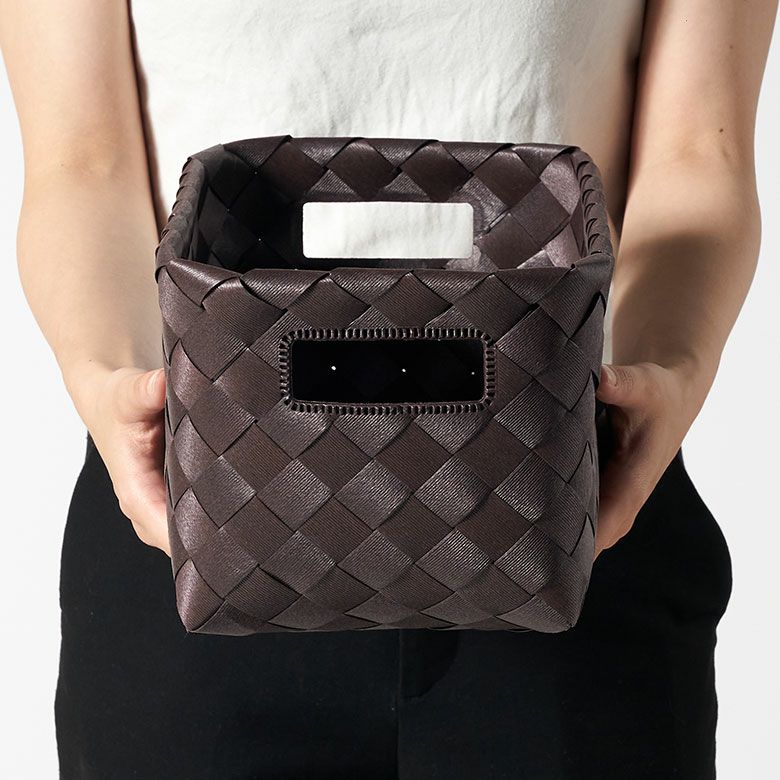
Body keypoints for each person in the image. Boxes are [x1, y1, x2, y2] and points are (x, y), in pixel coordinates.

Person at [1, 1, 775, 777]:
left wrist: (670, 366)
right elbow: (81, 164)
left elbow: (698, 151)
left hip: (571, 507)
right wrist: (106, 376)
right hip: (197, 516)